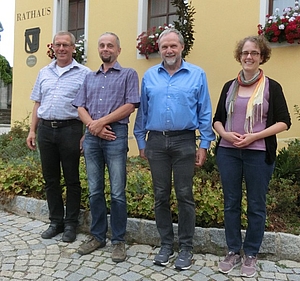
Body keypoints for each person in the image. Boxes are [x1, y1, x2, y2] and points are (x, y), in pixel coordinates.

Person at [134, 28, 215, 270]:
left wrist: (205, 143)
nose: (169, 50)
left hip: (184, 141)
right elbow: (143, 112)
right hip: (156, 142)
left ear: (181, 47)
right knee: (160, 195)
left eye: (173, 46)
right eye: (164, 47)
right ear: (159, 50)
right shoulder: (149, 76)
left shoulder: (197, 75)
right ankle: (166, 245)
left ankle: (186, 248)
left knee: (184, 195)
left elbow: (205, 111)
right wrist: (141, 141)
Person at [213, 35, 291, 278]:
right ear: (240, 56)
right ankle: (233, 251)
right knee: (231, 204)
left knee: (256, 206)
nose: (249, 57)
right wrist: (226, 134)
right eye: (245, 52)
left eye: (254, 53)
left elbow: (284, 122)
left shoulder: (272, 87)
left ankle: (251, 254)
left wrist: (254, 137)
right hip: (229, 153)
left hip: (258, 154)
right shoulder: (229, 87)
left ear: (262, 57)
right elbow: (217, 119)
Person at [72, 32, 140, 262]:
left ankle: (118, 241)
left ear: (118, 50)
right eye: (102, 45)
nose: (105, 49)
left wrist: (101, 123)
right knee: (94, 189)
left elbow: (130, 105)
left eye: (110, 45)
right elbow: (80, 106)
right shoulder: (89, 77)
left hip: (115, 135)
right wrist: (93, 125)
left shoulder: (129, 74)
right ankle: (97, 236)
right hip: (92, 136)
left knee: (118, 192)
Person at [26, 31, 91, 242]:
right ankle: (56, 221)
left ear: (73, 48)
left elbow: (90, 107)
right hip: (45, 130)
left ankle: (71, 224)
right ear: (53, 47)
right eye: (58, 44)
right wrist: (32, 130)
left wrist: (85, 133)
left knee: (72, 179)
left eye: (66, 45)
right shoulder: (44, 72)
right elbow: (38, 102)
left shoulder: (84, 73)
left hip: (70, 130)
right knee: (50, 179)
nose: (61, 48)